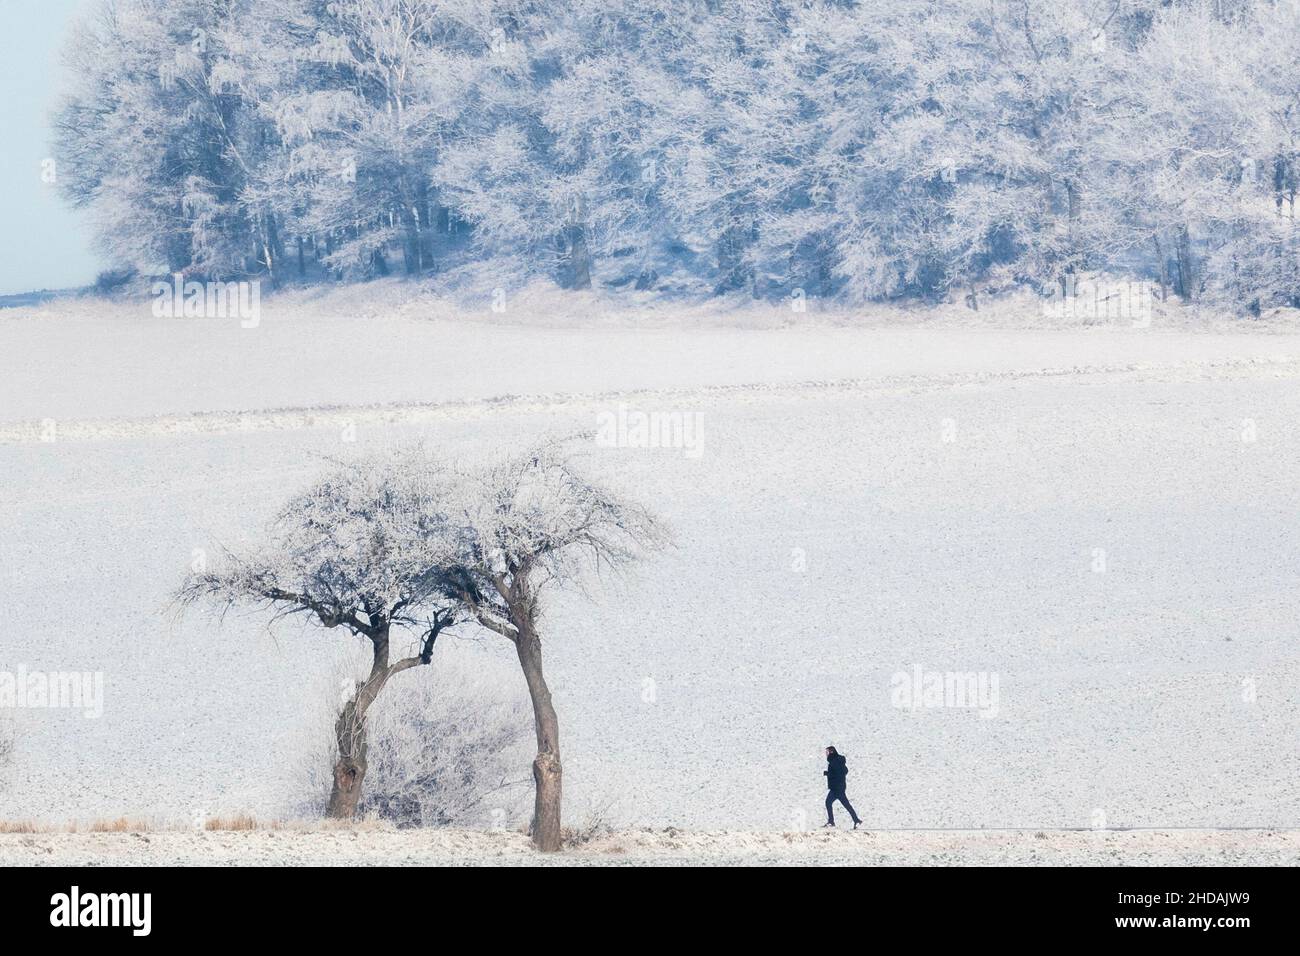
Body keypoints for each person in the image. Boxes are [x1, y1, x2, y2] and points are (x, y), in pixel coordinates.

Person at [822, 746, 862, 829]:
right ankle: (856, 820)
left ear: (831, 752)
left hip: (836, 788)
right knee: (846, 805)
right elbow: (845, 771)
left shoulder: (834, 761)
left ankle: (831, 822)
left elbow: (838, 773)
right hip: (839, 787)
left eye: (827, 752)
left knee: (828, 803)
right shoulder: (838, 761)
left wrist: (828, 773)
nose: (826, 754)